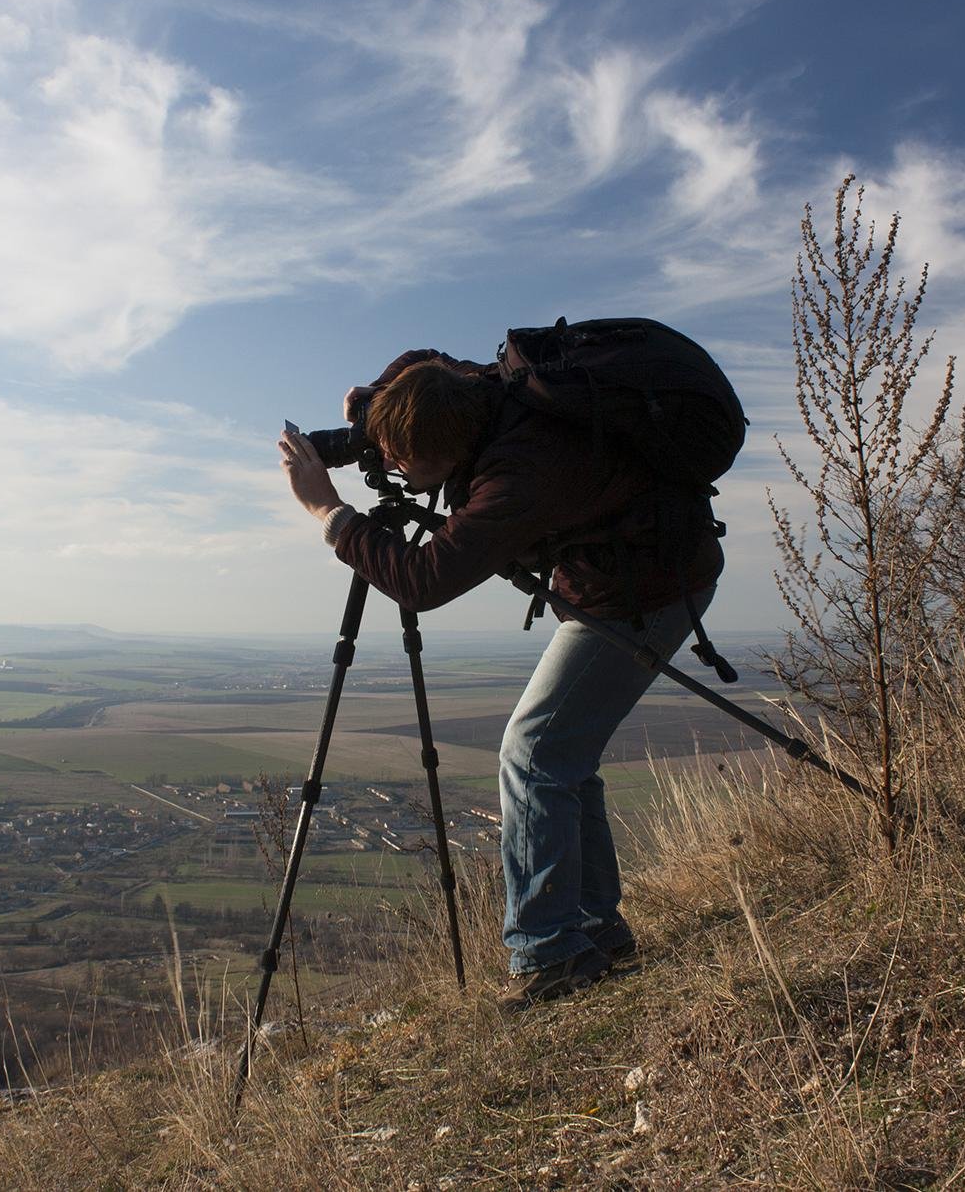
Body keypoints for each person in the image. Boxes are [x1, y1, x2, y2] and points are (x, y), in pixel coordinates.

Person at [278, 349, 722, 1011]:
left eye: (402, 460)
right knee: (561, 758)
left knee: (534, 752)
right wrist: (374, 402)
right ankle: (595, 931)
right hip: (618, 580)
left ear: (444, 457)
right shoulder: (479, 389)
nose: (394, 470)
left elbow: (422, 581)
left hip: (649, 592)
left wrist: (330, 514)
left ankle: (550, 953)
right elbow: (424, 360)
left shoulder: (517, 475)